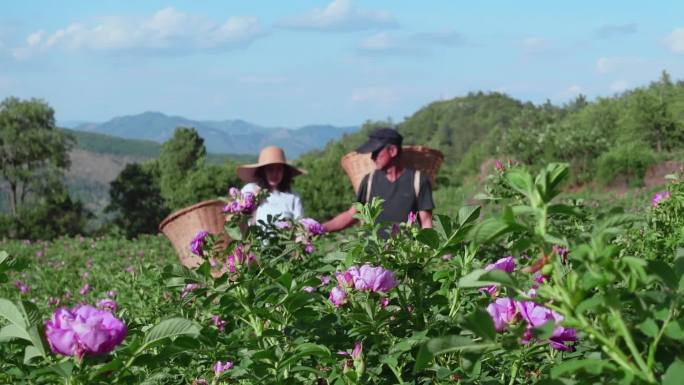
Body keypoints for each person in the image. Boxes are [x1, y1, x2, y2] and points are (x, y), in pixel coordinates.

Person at [322, 128, 434, 233]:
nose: (372, 157)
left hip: (404, 253)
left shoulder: (418, 181)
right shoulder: (369, 181)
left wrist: (430, 249)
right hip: (373, 252)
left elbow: (426, 222)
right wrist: (321, 228)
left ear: (392, 151)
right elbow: (352, 214)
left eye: (376, 152)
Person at [236, 146, 307, 225]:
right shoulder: (250, 190)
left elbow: (300, 226)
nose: (274, 174)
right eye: (270, 169)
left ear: (284, 171)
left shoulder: (293, 197)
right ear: (263, 171)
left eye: (279, 169)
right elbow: (237, 218)